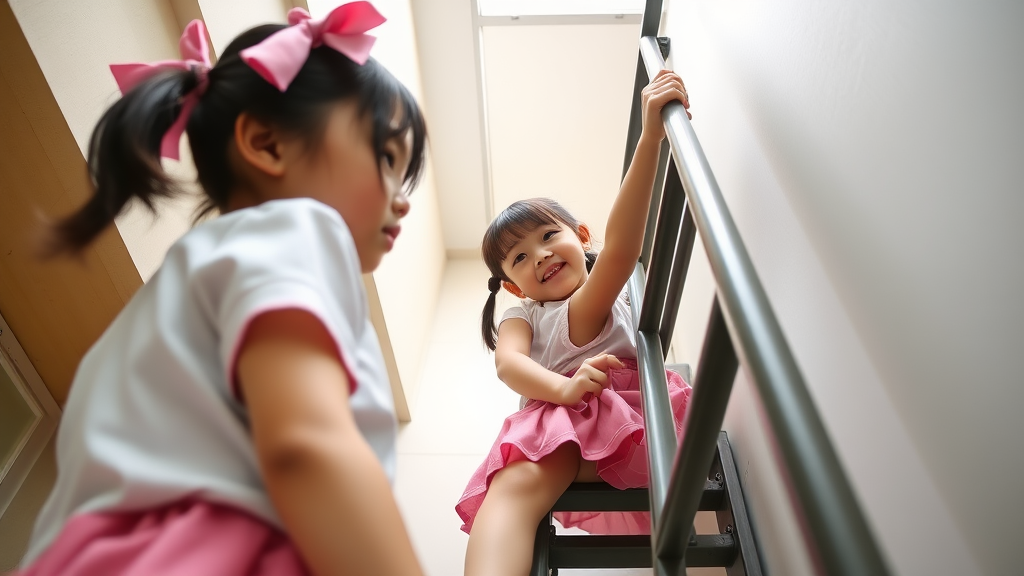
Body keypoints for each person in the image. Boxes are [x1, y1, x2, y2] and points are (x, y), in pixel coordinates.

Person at [17, 3, 427, 575]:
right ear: (267, 144)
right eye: (386, 157)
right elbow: (305, 445)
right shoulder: (300, 227)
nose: (402, 196)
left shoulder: (185, 286)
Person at [456, 70, 693, 576]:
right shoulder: (525, 315)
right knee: (511, 490)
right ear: (515, 287)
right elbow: (507, 363)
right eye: (519, 258)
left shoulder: (591, 300)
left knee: (517, 487)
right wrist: (563, 391)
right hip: (564, 423)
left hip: (628, 414)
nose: (539, 255)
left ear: (580, 235)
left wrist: (650, 137)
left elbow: (623, 248)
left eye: (547, 236)